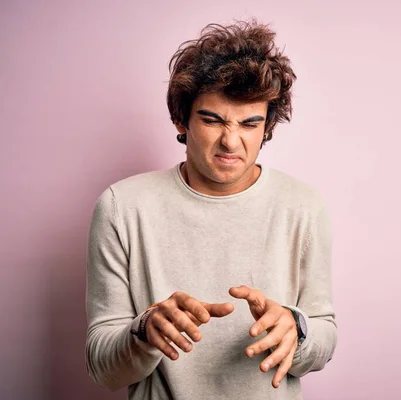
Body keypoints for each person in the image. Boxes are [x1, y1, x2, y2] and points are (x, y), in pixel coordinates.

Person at [85, 19, 337, 400]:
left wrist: (296, 329)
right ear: (180, 119)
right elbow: (103, 369)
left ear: (267, 128)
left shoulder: (303, 206)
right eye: (212, 120)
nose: (230, 141)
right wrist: (145, 331)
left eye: (250, 124)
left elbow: (324, 334)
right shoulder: (122, 207)